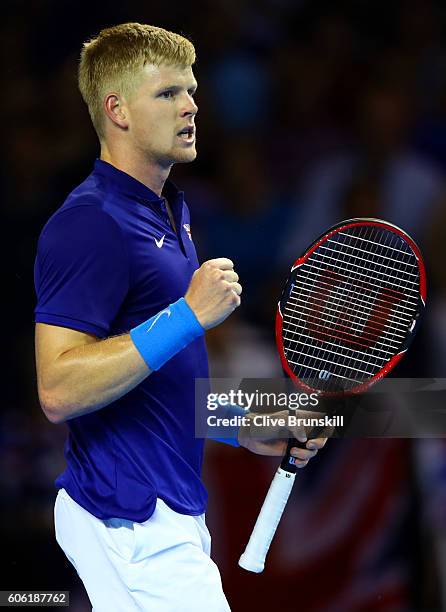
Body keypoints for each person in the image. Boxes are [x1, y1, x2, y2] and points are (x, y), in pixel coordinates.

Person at [34, 23, 326, 611]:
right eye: (167, 94)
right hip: (130, 522)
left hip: (163, 518)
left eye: (191, 91)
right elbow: (59, 389)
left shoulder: (172, 213)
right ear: (116, 110)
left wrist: (249, 422)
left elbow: (161, 389)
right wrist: (188, 316)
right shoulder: (91, 221)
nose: (191, 105)